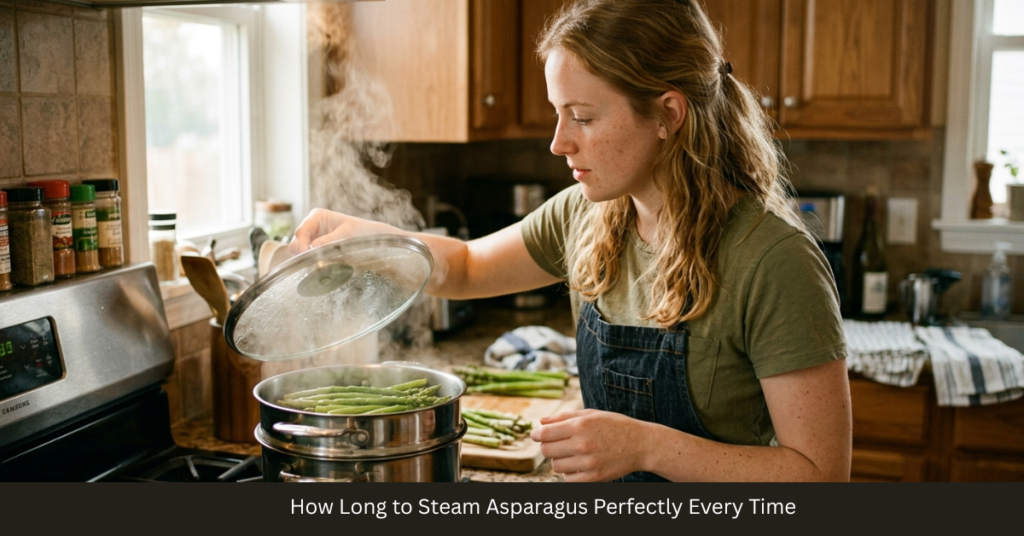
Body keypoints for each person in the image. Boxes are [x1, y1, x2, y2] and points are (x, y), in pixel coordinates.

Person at [290, 0, 851, 482]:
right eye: (558, 114)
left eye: (581, 116)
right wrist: (368, 244)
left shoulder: (773, 260)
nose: (559, 143)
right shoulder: (585, 215)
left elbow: (822, 475)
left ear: (667, 114)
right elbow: (464, 267)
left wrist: (646, 448)